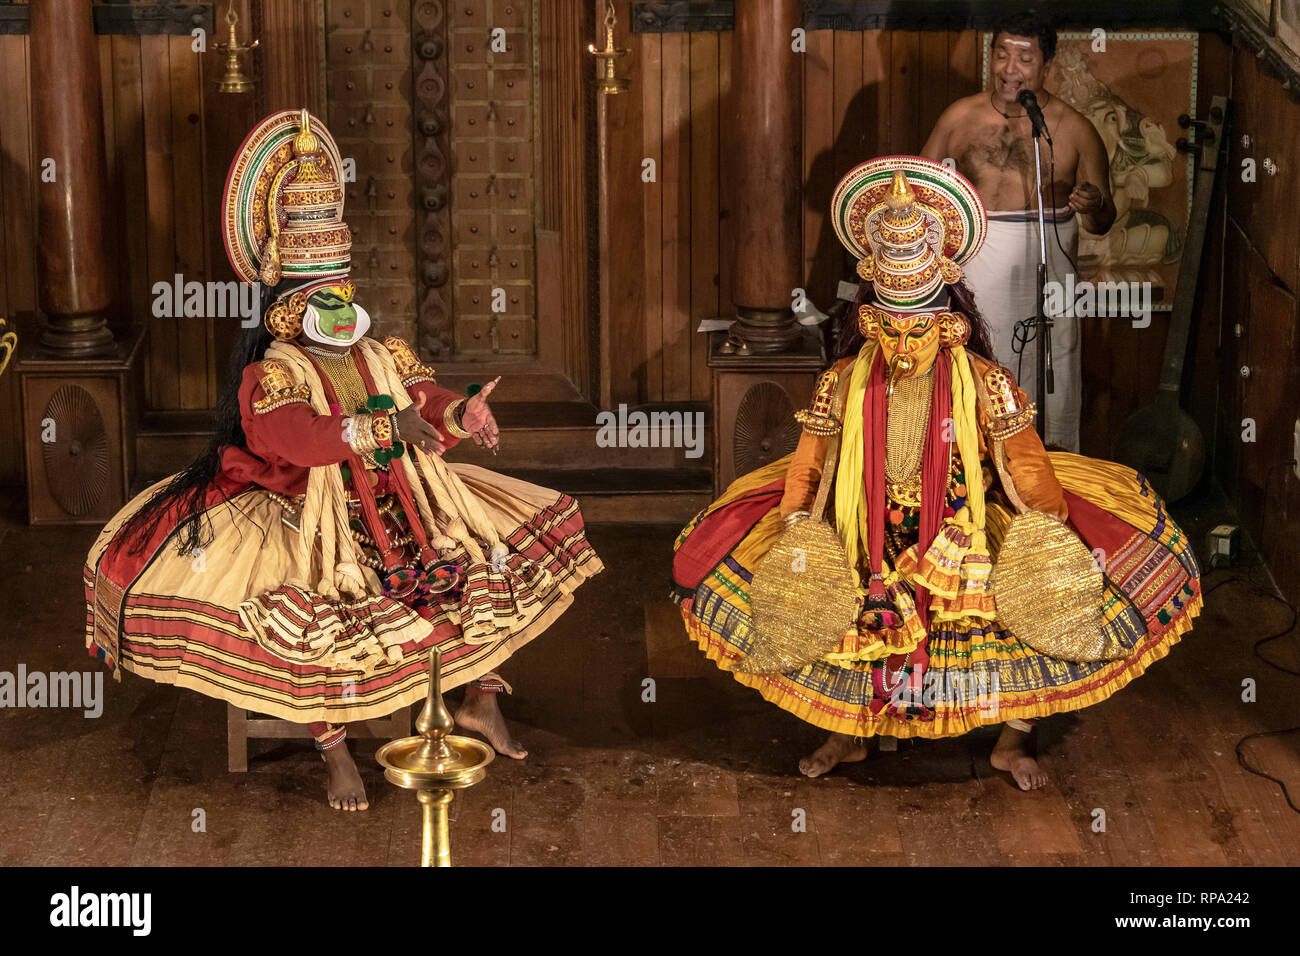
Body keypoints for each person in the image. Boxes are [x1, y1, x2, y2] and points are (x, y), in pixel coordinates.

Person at [84, 109, 603, 811]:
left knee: (488, 565)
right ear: (290, 306)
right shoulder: (276, 370)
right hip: (304, 507)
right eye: (322, 297)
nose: (339, 306)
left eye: (345, 292)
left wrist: (459, 412)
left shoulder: (377, 351)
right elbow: (291, 439)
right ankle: (333, 752)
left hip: (399, 495)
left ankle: (480, 701)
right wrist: (380, 430)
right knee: (315, 613)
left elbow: (421, 394)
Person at [672, 156, 1199, 790]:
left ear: (948, 323)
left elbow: (1026, 464)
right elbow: (811, 463)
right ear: (871, 321)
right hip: (862, 521)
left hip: (963, 526)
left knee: (1028, 621)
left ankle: (1010, 743)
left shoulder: (986, 383)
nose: (902, 345)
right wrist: (797, 530)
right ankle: (850, 735)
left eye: (917, 329)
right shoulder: (842, 381)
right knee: (848, 624)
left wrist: (1046, 535)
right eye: (889, 330)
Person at [921, 9, 1115, 452]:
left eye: (1024, 58)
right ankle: (965, 468)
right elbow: (919, 189)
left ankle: (1044, 476)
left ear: (1047, 65)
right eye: (1002, 54)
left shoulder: (1074, 130)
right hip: (975, 275)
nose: (1010, 69)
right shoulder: (958, 118)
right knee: (976, 371)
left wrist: (1095, 204)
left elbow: (1102, 221)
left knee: (1048, 379)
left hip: (1045, 281)